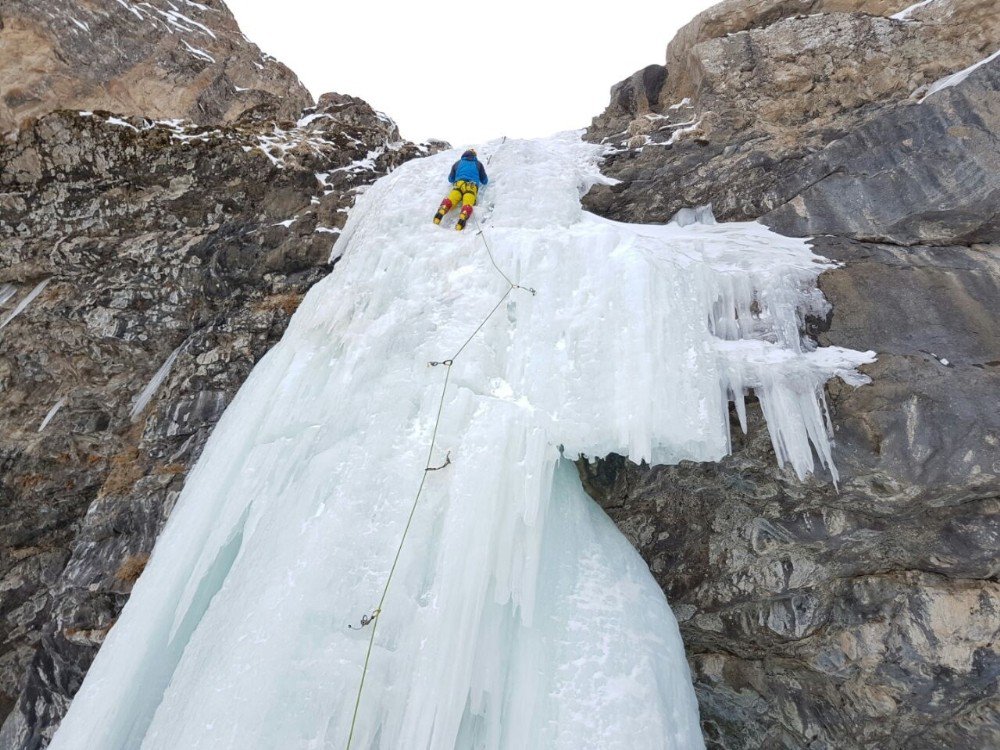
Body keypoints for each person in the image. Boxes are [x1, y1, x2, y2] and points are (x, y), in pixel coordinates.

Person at [433, 149, 489, 231]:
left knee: (452, 200)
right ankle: (463, 216)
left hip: (459, 184)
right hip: (471, 186)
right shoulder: (478, 164)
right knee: (468, 202)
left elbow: (450, 179)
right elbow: (484, 181)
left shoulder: (457, 163)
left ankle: (444, 207)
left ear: (464, 155)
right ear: (474, 156)